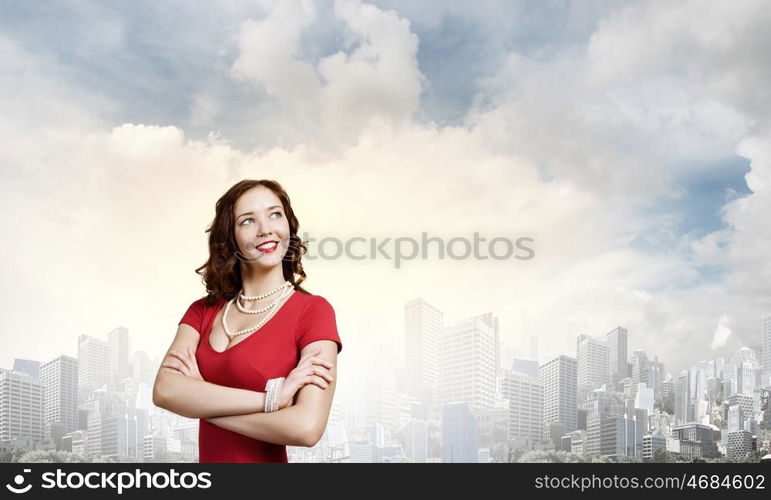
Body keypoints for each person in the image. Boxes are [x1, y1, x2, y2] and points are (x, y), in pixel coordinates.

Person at [152, 179, 342, 462]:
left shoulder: (313, 312)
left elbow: (306, 428)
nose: (265, 228)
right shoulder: (201, 312)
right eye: (247, 221)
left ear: (288, 225)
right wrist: (272, 400)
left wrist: (200, 403)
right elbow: (165, 390)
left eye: (275, 214)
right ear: (231, 237)